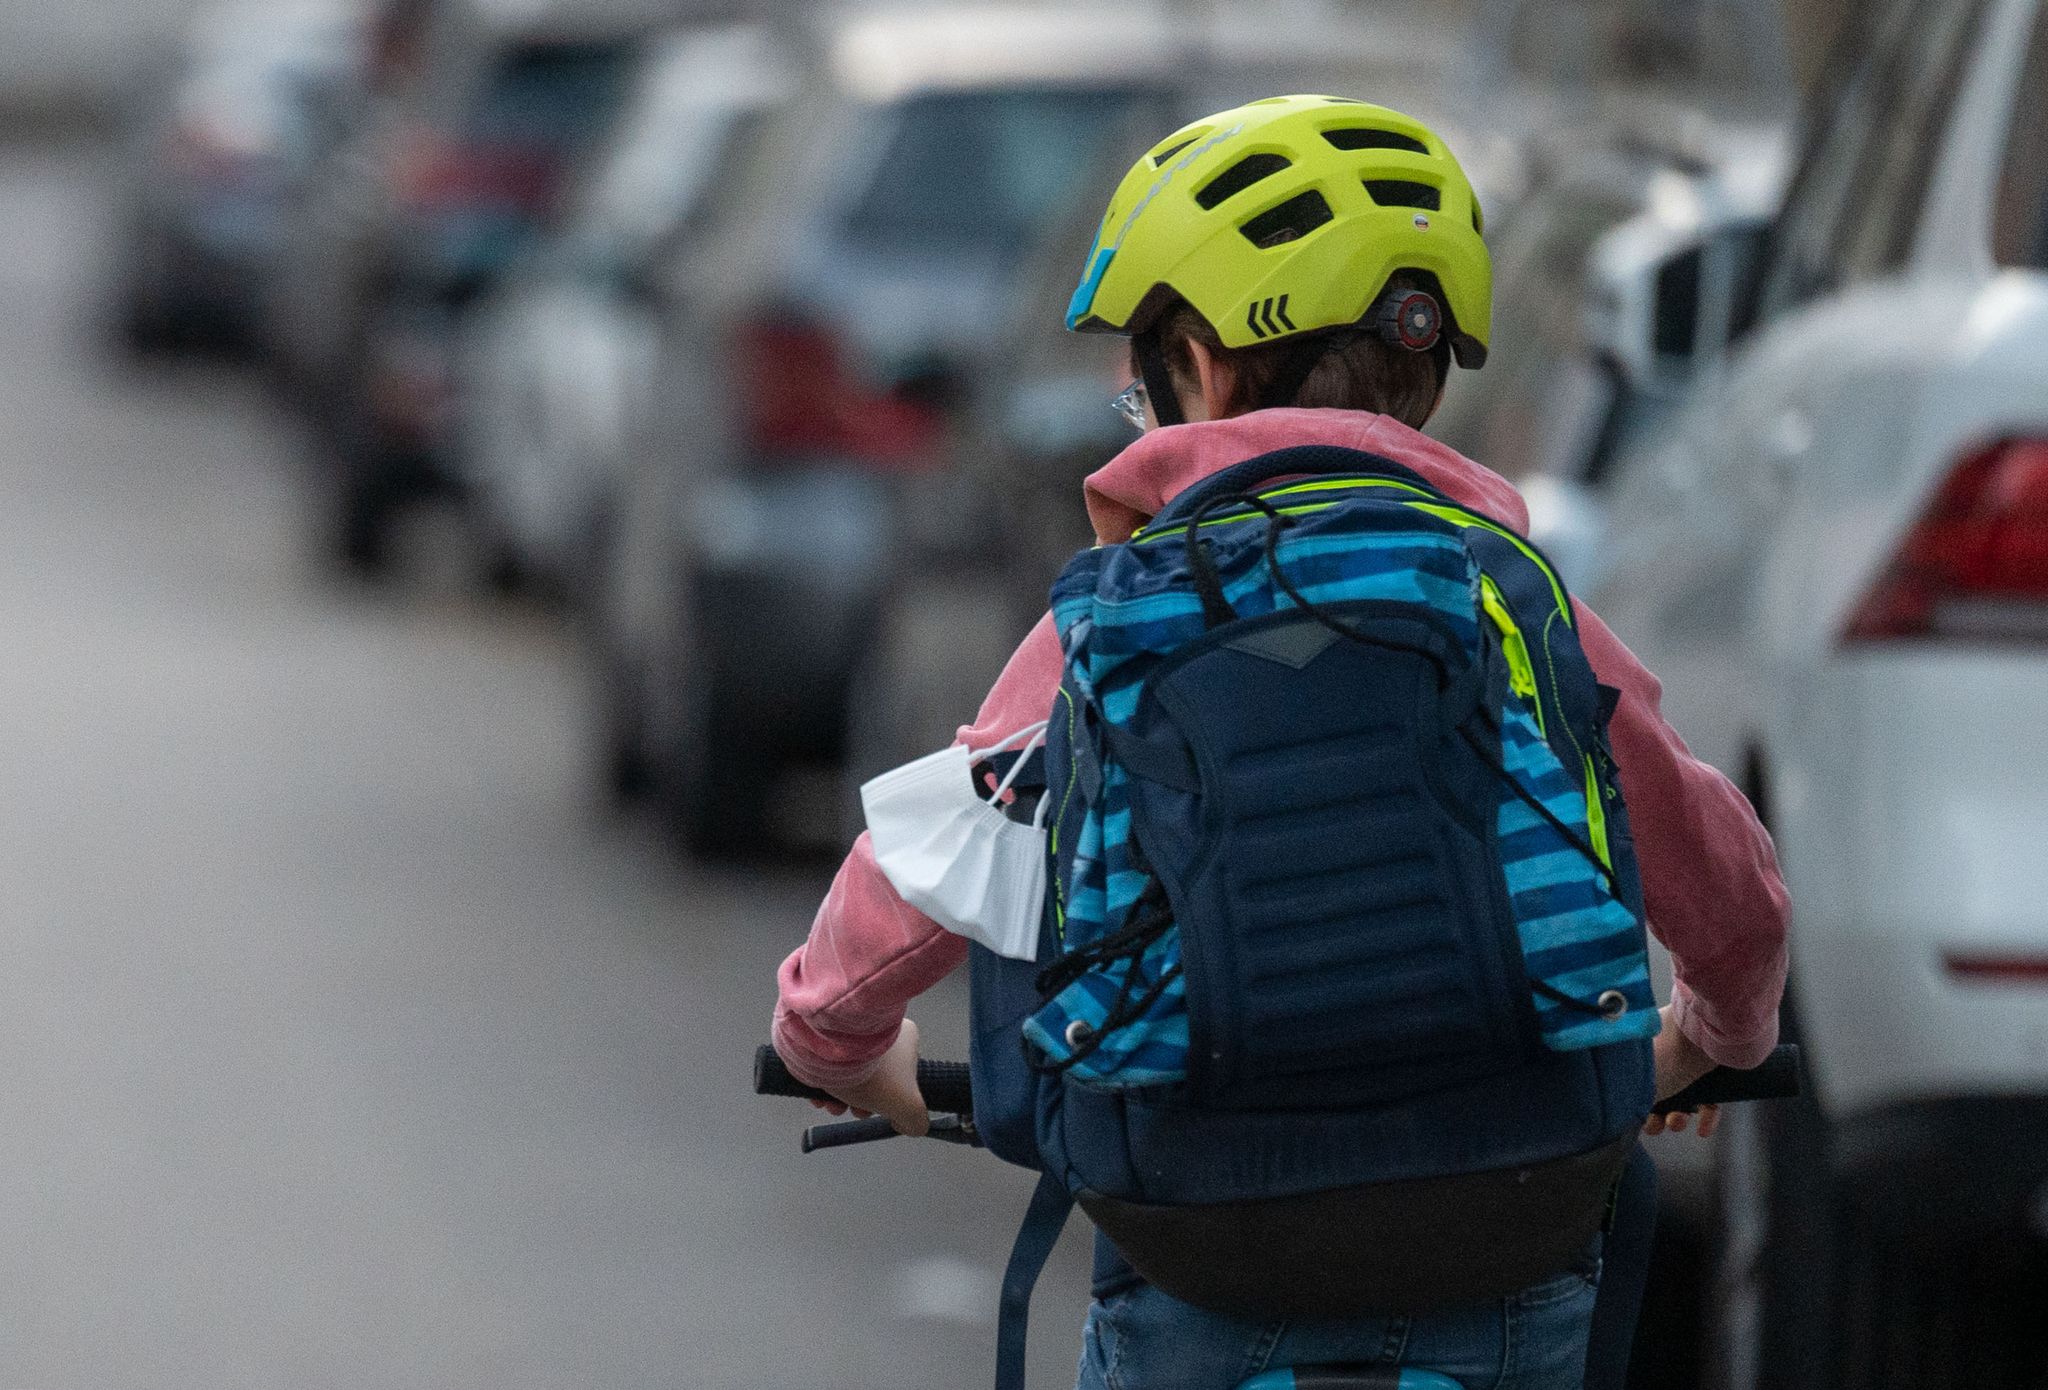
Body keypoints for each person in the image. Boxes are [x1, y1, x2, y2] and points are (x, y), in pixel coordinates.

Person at [773, 95, 1789, 1390]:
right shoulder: (1509, 599)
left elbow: (915, 872)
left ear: (1193, 364)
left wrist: (839, 1050)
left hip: (1205, 1250)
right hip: (1510, 1224)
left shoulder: (1123, 609)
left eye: (1140, 377)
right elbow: (1727, 880)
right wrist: (1710, 1031)